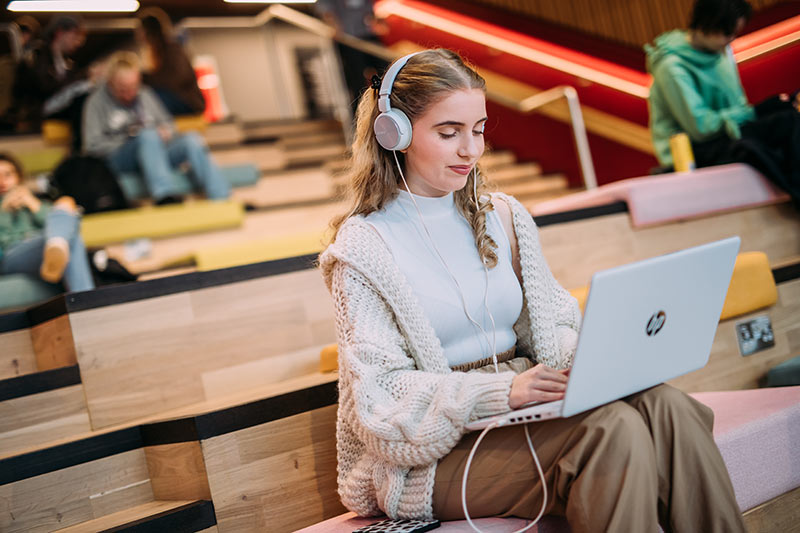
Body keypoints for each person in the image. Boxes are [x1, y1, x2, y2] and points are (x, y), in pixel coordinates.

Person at [319, 49, 746, 531]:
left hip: (520, 407)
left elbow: (555, 326)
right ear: (393, 131)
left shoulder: (502, 216)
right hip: (428, 456)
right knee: (612, 431)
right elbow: (379, 398)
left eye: (478, 130)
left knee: (668, 406)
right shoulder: (362, 247)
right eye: (448, 132)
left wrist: (597, 363)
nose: (470, 150)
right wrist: (502, 391)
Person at [646, 0, 800, 203]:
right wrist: (754, 113)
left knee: (789, 115)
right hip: (696, 150)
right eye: (727, 33)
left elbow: (740, 108)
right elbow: (700, 127)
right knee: (783, 126)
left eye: (734, 34)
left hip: (728, 135)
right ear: (704, 25)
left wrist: (766, 109)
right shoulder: (672, 67)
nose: (730, 40)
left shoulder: (722, 53)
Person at [82, 51, 229, 205]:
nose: (129, 95)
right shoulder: (95, 102)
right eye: (122, 89)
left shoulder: (145, 94)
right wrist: (132, 140)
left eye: (133, 87)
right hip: (119, 159)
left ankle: (221, 197)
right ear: (110, 82)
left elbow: (169, 124)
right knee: (148, 135)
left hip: (155, 154)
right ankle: (165, 196)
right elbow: (92, 147)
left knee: (191, 139)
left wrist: (166, 132)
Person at [0, 153, 94, 292]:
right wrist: (4, 212)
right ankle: (87, 300)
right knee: (69, 239)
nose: (2, 181)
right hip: (11, 256)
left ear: (18, 177)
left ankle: (56, 245)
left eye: (7, 175)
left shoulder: (33, 201)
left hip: (41, 246)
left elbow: (65, 222)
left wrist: (32, 203)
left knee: (65, 203)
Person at [137, 11, 206, 116]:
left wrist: (144, 78)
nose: (138, 34)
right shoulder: (154, 52)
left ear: (148, 31)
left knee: (153, 96)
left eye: (140, 30)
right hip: (175, 98)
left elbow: (179, 77)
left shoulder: (172, 49)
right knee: (145, 95)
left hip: (188, 102)